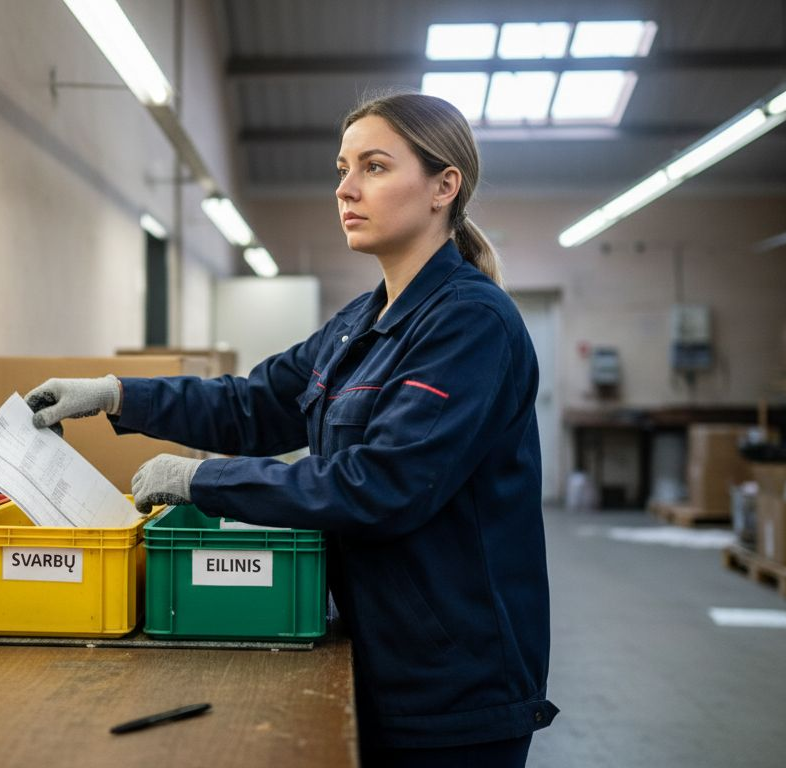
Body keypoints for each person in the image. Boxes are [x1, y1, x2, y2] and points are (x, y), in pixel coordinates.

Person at [27, 92, 556, 767]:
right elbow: (251, 404)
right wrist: (118, 395)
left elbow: (384, 484)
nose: (345, 188)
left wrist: (202, 479)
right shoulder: (355, 326)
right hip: (373, 649)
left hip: (453, 683)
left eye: (374, 167)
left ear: (443, 187)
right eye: (342, 168)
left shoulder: (471, 325)